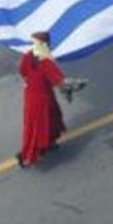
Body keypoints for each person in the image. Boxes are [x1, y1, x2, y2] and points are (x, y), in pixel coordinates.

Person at [17, 31, 67, 168]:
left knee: (35, 126)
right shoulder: (45, 60)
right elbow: (58, 79)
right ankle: (26, 156)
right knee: (44, 123)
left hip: (31, 95)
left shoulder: (27, 56)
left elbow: (22, 71)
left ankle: (48, 144)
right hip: (44, 97)